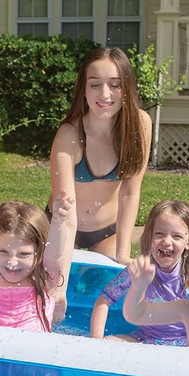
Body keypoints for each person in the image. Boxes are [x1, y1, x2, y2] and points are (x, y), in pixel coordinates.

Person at [50, 47, 152, 317]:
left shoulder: (140, 125)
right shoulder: (69, 135)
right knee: (54, 292)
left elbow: (131, 192)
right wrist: (59, 273)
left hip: (107, 232)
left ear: (126, 88)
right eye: (95, 84)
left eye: (115, 85)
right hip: (60, 226)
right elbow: (65, 208)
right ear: (83, 89)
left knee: (106, 297)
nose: (104, 95)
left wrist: (123, 250)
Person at [0, 161, 73, 332]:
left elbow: (55, 255)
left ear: (39, 252)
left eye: (23, 254)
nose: (12, 262)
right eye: (3, 252)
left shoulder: (44, 279)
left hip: (33, 358)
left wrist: (59, 220)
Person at [90, 199, 189, 344]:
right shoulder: (139, 270)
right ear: (150, 237)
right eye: (159, 234)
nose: (166, 241)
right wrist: (95, 342)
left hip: (186, 342)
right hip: (145, 339)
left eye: (177, 236)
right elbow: (103, 301)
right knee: (109, 343)